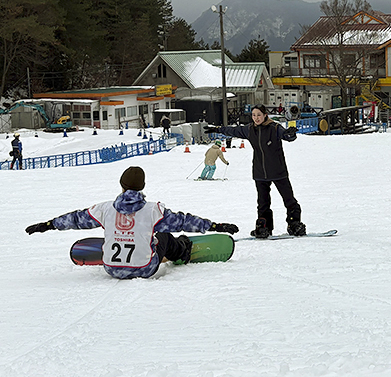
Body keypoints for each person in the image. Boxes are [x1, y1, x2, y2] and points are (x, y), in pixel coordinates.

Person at [25, 166, 239, 279]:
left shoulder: (105, 209)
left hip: (111, 269)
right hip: (145, 269)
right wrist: (214, 226)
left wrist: (48, 224)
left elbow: (75, 219)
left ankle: (111, 252)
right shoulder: (154, 210)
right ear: (142, 187)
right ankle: (182, 250)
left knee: (113, 231)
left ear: (122, 185)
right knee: (164, 235)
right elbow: (184, 221)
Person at [205, 104, 305, 238]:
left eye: (259, 115)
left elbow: (286, 136)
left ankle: (294, 223)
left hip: (278, 171)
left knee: (289, 199)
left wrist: (290, 134)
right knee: (263, 203)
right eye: (253, 115)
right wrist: (218, 129)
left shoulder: (274, 127)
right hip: (260, 173)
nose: (256, 118)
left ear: (265, 115)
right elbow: (233, 131)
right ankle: (264, 226)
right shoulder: (249, 130)